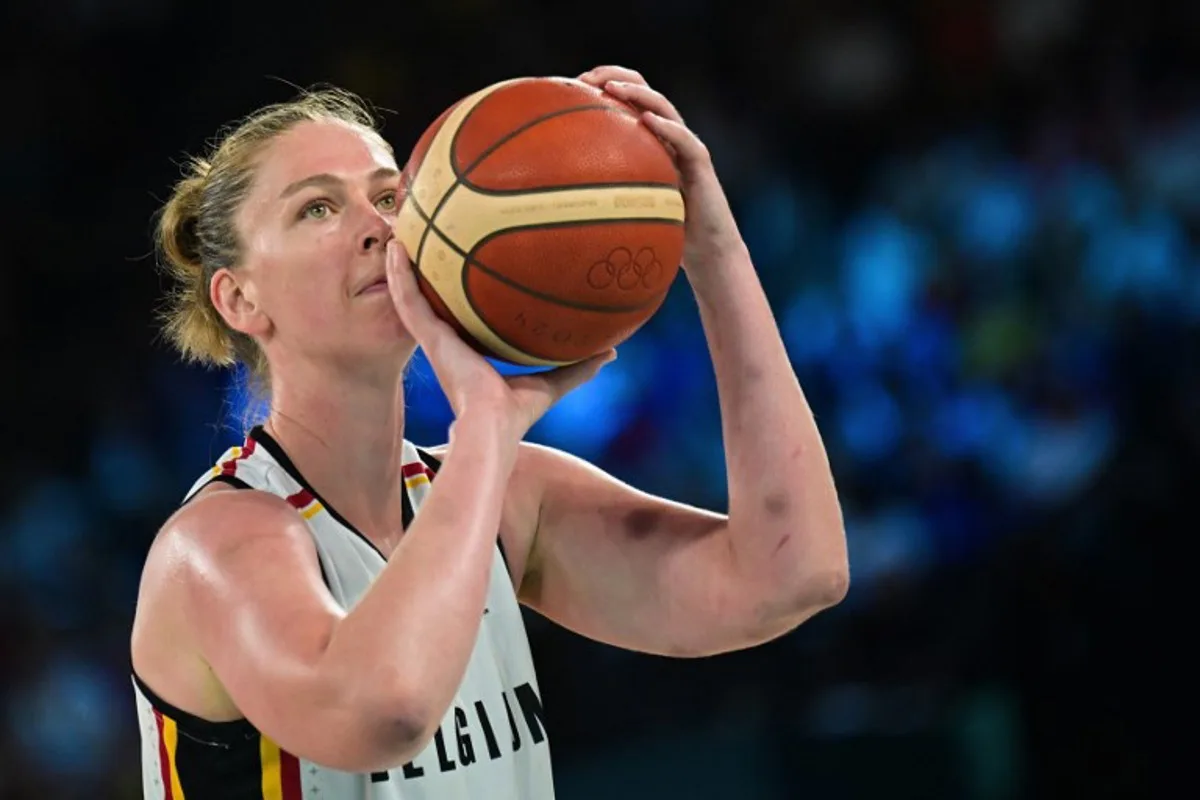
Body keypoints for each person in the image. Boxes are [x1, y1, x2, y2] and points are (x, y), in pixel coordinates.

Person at [130, 64, 849, 800]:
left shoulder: (504, 496)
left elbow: (793, 577)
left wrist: (715, 253)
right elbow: (386, 711)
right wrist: (487, 424)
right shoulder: (218, 546)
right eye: (317, 209)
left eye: (387, 195)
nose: (378, 226)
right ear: (240, 298)